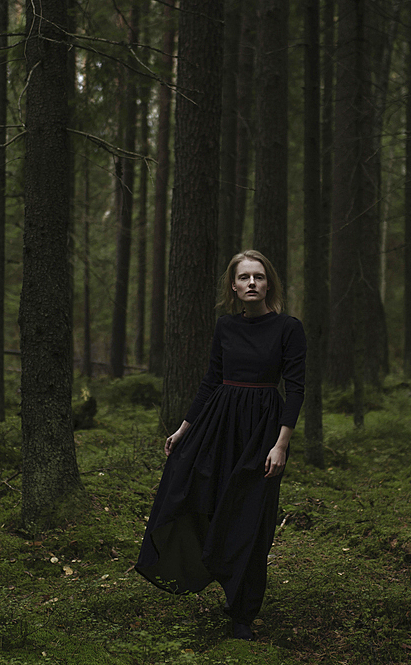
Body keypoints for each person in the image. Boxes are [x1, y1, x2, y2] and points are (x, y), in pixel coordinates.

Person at [135, 250, 306, 641]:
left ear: (268, 284)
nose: (251, 283)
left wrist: (281, 445)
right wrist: (182, 430)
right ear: (233, 285)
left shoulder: (288, 329)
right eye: (244, 277)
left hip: (262, 430)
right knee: (197, 497)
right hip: (218, 425)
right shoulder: (225, 327)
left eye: (258, 277)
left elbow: (295, 390)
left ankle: (241, 612)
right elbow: (211, 381)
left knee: (252, 518)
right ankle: (204, 569)